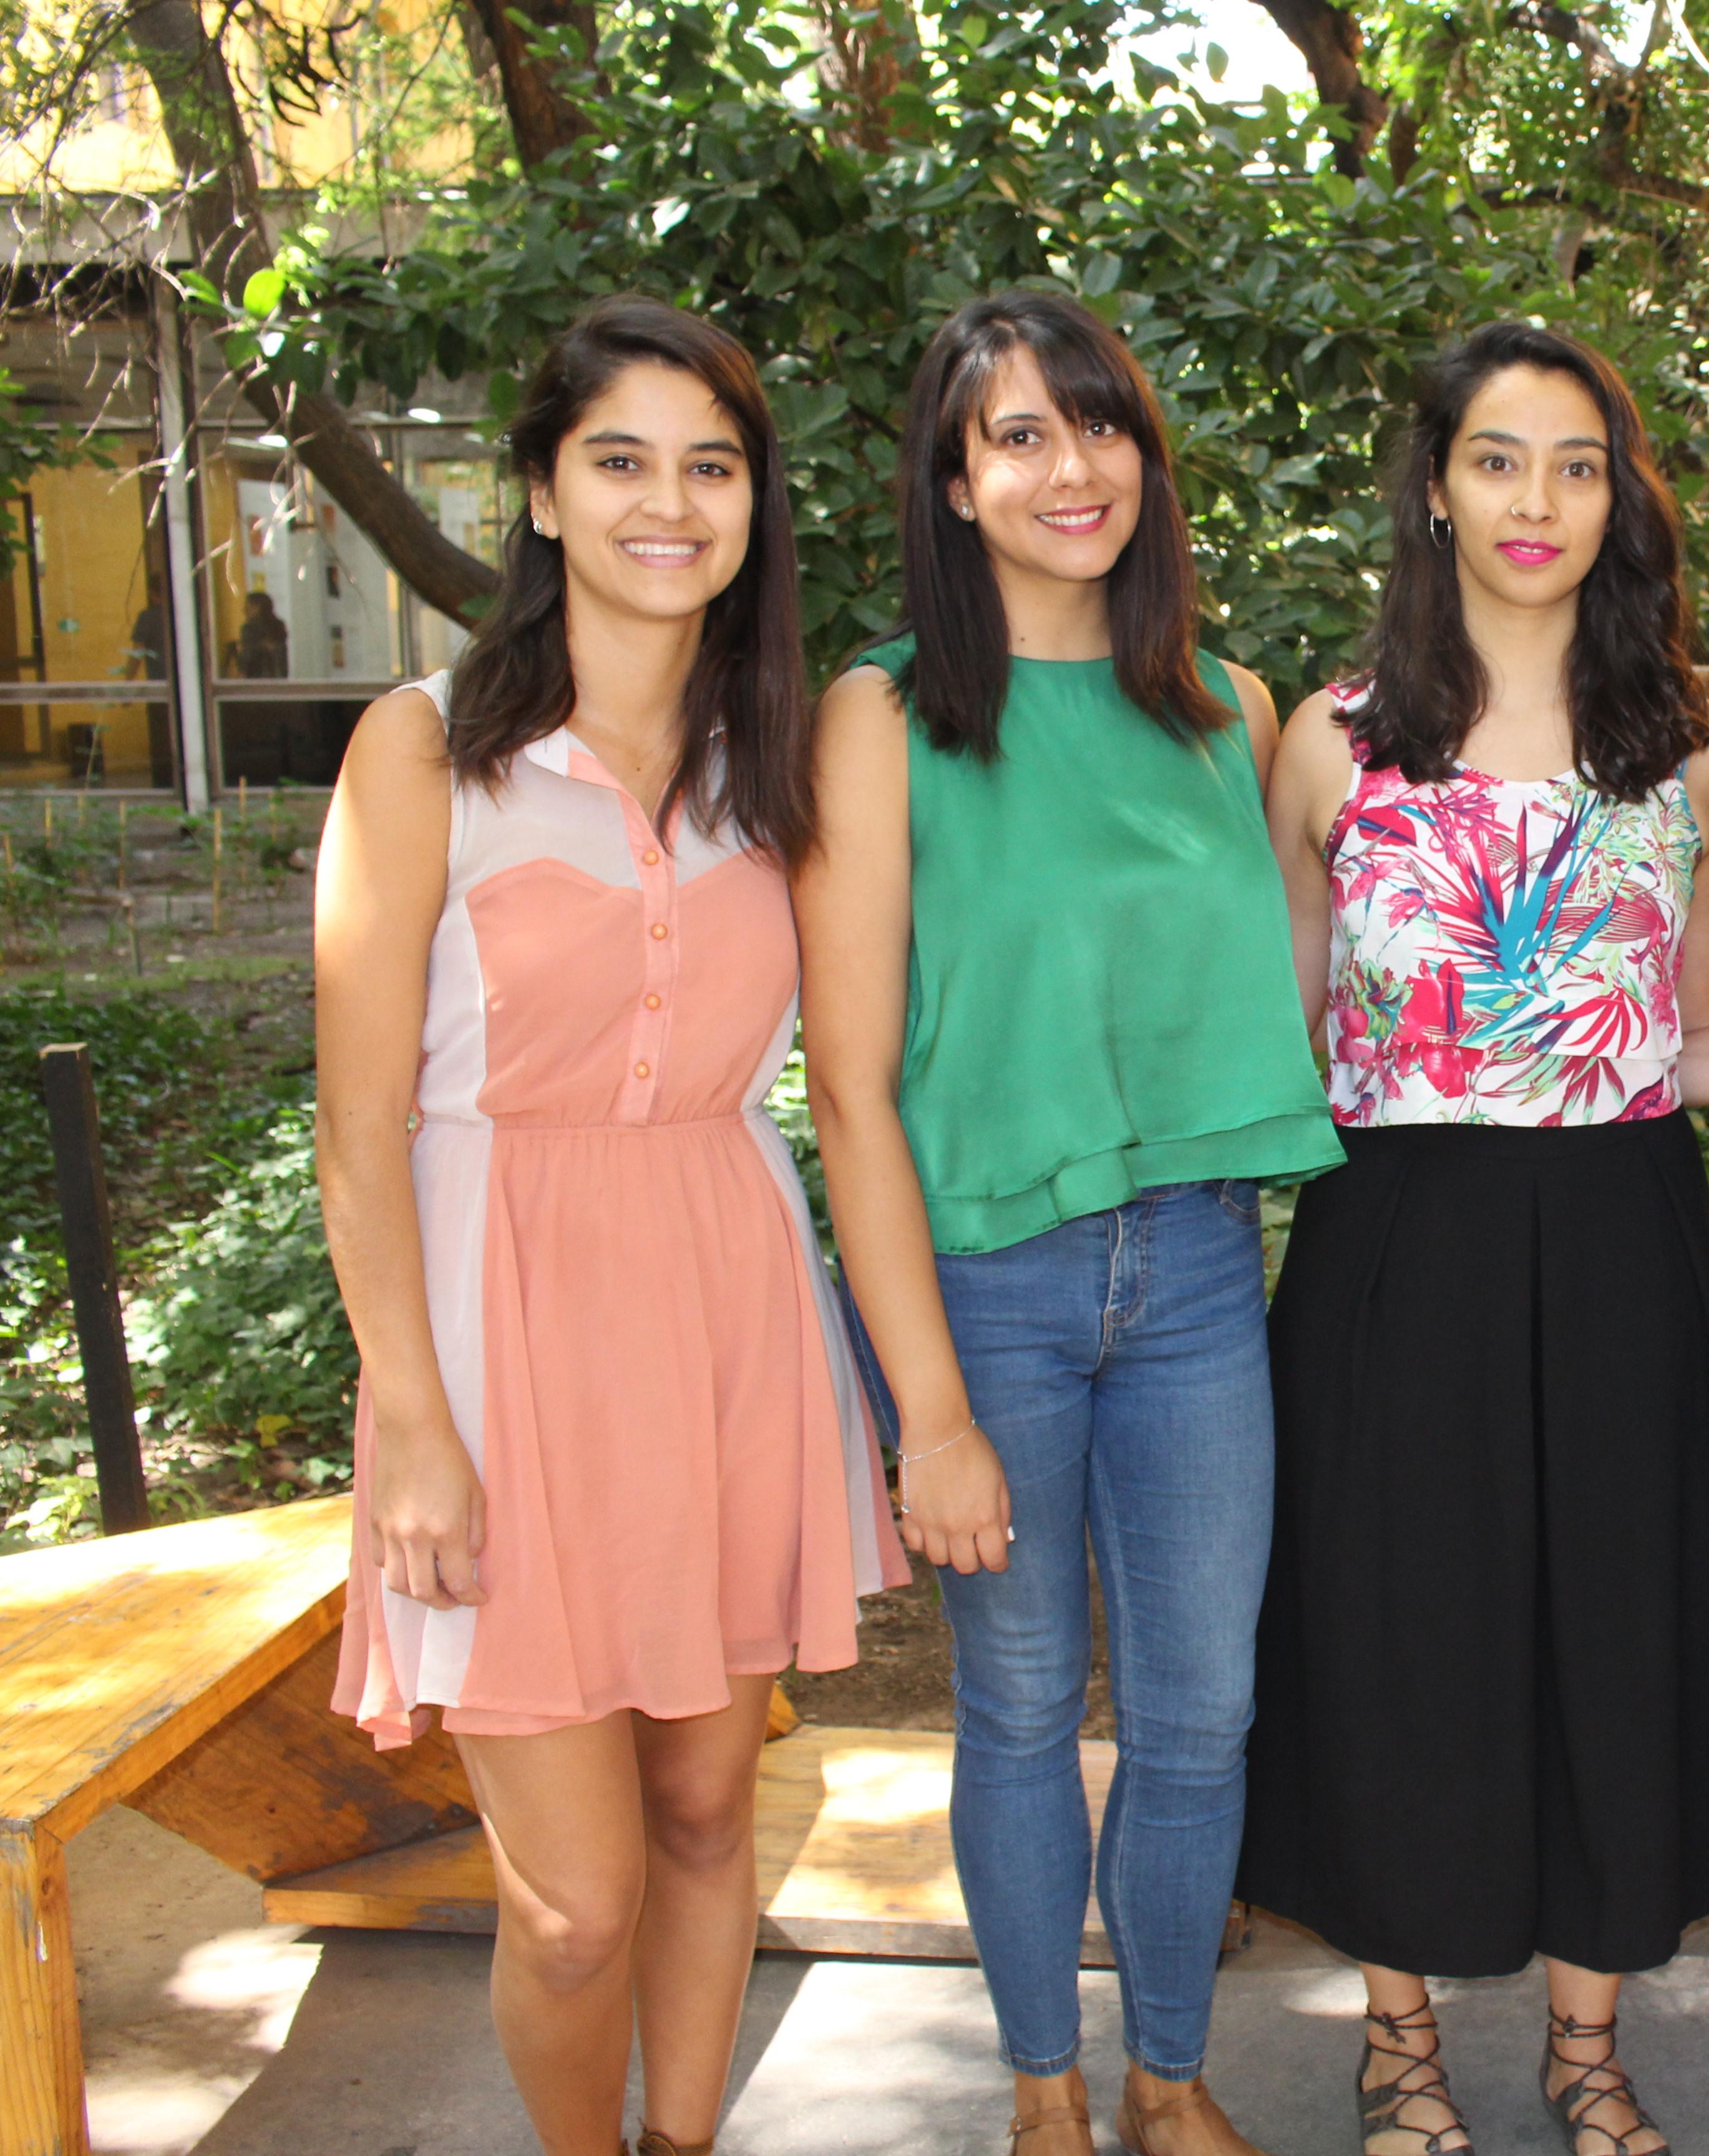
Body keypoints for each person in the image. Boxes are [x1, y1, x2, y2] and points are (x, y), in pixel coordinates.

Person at [317, 296, 905, 2156]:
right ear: (548, 496)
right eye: (623, 461)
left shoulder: (785, 766)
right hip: (502, 1347)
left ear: (756, 505)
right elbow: (354, 1126)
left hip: (726, 1318)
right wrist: (411, 1419)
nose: (673, 504)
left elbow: (861, 1067)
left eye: (712, 466)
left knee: (713, 1817)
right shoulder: (422, 755)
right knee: (571, 1903)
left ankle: (685, 2142)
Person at [793, 291, 1337, 2156]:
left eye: (1094, 425)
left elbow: (1286, 991)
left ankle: (1170, 2082)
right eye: (1014, 435)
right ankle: (1045, 2099)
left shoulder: (1227, 710)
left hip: (1194, 1270)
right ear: (952, 482)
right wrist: (925, 1409)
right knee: (1020, 1709)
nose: (1066, 467)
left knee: (1201, 1718)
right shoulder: (878, 716)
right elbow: (849, 1089)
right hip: (981, 1287)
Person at [1238, 320, 1709, 2156]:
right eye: (1496, 459)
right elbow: (1290, 1036)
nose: (1534, 500)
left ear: (1619, 498)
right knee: (1396, 1630)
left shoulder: (1692, 745)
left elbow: (1701, 1028)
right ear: (1437, 487)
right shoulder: (1330, 742)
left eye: (1575, 463)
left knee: (1615, 1630)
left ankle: (1588, 2043)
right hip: (1397, 1240)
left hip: (1618, 1236)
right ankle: (1397, 2045)